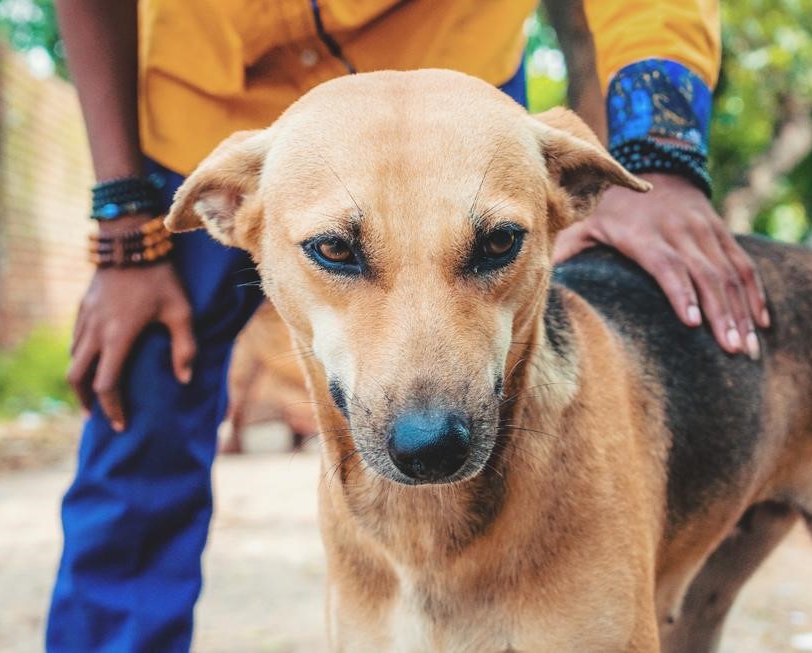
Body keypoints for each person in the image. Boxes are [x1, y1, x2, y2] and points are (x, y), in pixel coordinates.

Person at [47, 0, 768, 650]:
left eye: (492, 249)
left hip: (459, 99)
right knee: (131, 411)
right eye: (335, 252)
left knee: (536, 427)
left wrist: (660, 153)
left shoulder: (506, 149)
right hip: (197, 114)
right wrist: (122, 216)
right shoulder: (242, 182)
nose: (430, 426)